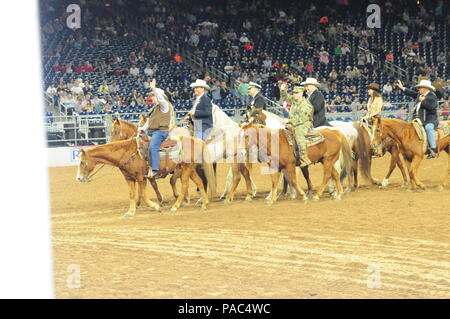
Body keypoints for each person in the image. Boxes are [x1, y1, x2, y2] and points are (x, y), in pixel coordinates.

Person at [138, 79, 175, 178]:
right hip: (152, 132)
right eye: (151, 96)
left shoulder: (165, 105)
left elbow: (161, 98)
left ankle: (155, 169)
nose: (151, 98)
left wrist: (154, 88)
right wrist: (142, 129)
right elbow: (149, 121)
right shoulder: (154, 108)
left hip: (161, 132)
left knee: (153, 146)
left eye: (153, 96)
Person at [397, 79, 439, 158]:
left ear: (426, 88)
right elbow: (412, 93)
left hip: (429, 119)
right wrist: (403, 88)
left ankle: (433, 149)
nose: (419, 89)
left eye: (420, 88)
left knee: (428, 127)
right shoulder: (419, 95)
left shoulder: (432, 96)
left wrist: (423, 101)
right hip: (418, 118)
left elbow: (432, 107)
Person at [280, 84, 313, 166]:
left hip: (304, 124)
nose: (294, 94)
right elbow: (285, 97)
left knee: (299, 135)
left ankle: (304, 158)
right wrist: (283, 90)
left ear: (301, 93)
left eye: (296, 93)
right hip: (293, 122)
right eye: (293, 93)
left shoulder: (306, 105)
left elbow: (302, 119)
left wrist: (289, 121)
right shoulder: (293, 100)